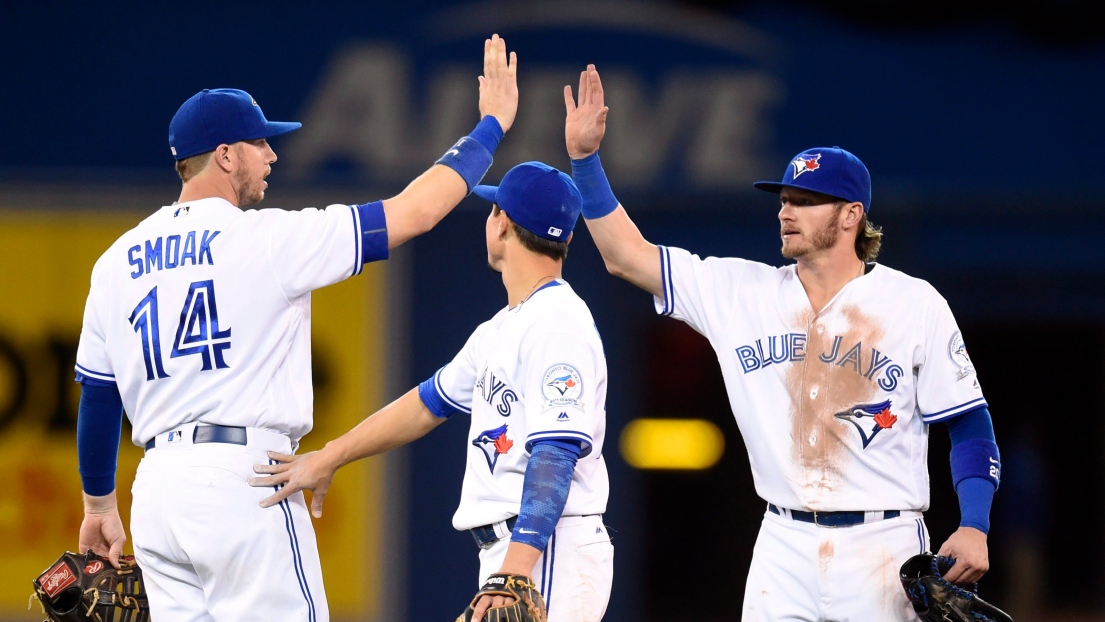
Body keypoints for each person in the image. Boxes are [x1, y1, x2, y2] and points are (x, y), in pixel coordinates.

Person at [73, 34, 518, 622]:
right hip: (245, 480)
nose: (272, 155)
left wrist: (98, 503)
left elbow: (99, 398)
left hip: (157, 493)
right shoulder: (264, 239)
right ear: (226, 155)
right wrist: (490, 127)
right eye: (260, 142)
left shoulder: (114, 263)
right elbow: (416, 212)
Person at [563, 65, 1001, 620]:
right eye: (784, 197)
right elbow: (626, 256)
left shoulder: (915, 304)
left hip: (882, 544)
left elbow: (967, 421)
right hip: (781, 542)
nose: (786, 210)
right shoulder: (741, 292)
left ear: (851, 215)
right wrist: (585, 161)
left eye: (806, 199)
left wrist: (974, 524)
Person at [250, 161, 615, 622]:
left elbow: (557, 452)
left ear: (501, 222)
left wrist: (517, 572)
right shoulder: (505, 326)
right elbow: (427, 403)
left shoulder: (557, 323)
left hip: (545, 549)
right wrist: (330, 456)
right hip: (521, 552)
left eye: (492, 211)